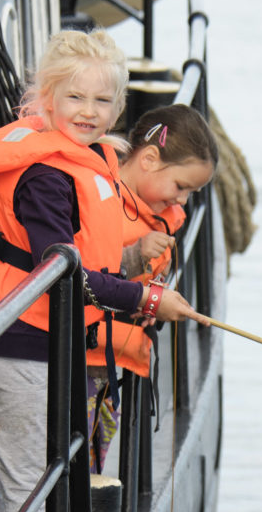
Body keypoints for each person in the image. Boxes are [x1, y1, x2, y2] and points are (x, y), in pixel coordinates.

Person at [0, 29, 209, 512]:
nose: (90, 111)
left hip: (23, 333)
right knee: (27, 490)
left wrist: (127, 260)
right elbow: (59, 267)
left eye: (103, 99)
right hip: (17, 339)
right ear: (46, 96)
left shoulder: (88, 159)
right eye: (74, 97)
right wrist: (147, 300)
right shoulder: (46, 175)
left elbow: (86, 256)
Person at [85, 104, 219, 471]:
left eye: (191, 192)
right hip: (78, 364)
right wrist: (134, 256)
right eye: (180, 186)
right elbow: (81, 275)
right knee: (65, 469)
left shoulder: (158, 217)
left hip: (110, 371)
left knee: (95, 462)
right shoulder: (94, 197)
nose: (182, 201)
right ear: (148, 159)